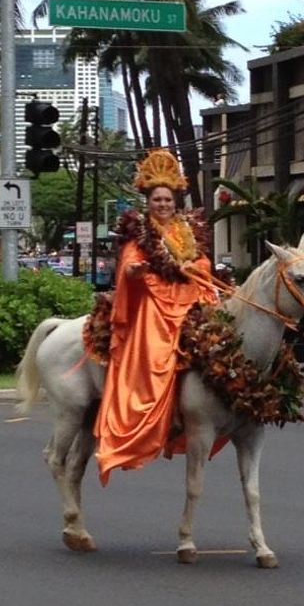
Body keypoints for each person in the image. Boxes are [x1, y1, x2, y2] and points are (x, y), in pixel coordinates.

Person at [94, 148, 217, 485]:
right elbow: (130, 262)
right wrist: (134, 271)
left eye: (168, 199)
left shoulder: (186, 228)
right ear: (148, 201)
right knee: (156, 351)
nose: (163, 204)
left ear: (176, 201)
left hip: (189, 294)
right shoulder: (139, 230)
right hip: (153, 298)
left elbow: (202, 261)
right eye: (157, 199)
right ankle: (143, 420)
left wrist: (196, 266)